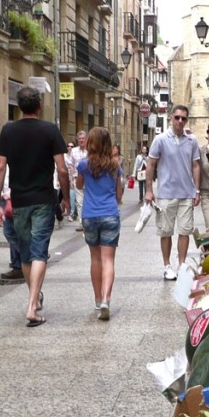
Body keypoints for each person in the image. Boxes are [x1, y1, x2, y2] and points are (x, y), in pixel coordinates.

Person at [0, 86, 70, 327]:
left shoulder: (8, 131)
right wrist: (65, 197)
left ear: (19, 106)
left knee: (26, 253)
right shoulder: (50, 130)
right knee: (39, 251)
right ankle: (32, 306)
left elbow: (0, 168)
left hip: (20, 201)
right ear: (39, 105)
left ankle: (34, 296)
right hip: (43, 200)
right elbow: (62, 169)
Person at [144, 104, 201, 280]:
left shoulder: (192, 141)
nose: (180, 121)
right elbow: (151, 164)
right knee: (166, 232)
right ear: (171, 118)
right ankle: (167, 265)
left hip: (186, 194)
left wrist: (197, 190)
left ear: (186, 120)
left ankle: (182, 265)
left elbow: (196, 165)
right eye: (177, 117)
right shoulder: (160, 139)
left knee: (185, 231)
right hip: (166, 194)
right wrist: (148, 190)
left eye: (183, 118)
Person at [76, 127, 124, 320]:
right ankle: (106, 299)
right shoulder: (115, 166)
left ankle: (97, 301)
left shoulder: (84, 165)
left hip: (89, 215)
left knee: (95, 259)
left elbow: (79, 185)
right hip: (110, 214)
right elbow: (119, 195)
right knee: (108, 260)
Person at [66, 131, 88, 231]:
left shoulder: (90, 150)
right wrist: (71, 180)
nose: (81, 140)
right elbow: (71, 166)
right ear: (77, 140)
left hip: (89, 179)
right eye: (80, 138)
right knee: (79, 202)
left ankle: (89, 221)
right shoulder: (74, 151)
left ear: (86, 139)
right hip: (76, 178)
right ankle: (81, 223)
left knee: (88, 200)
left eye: (83, 138)